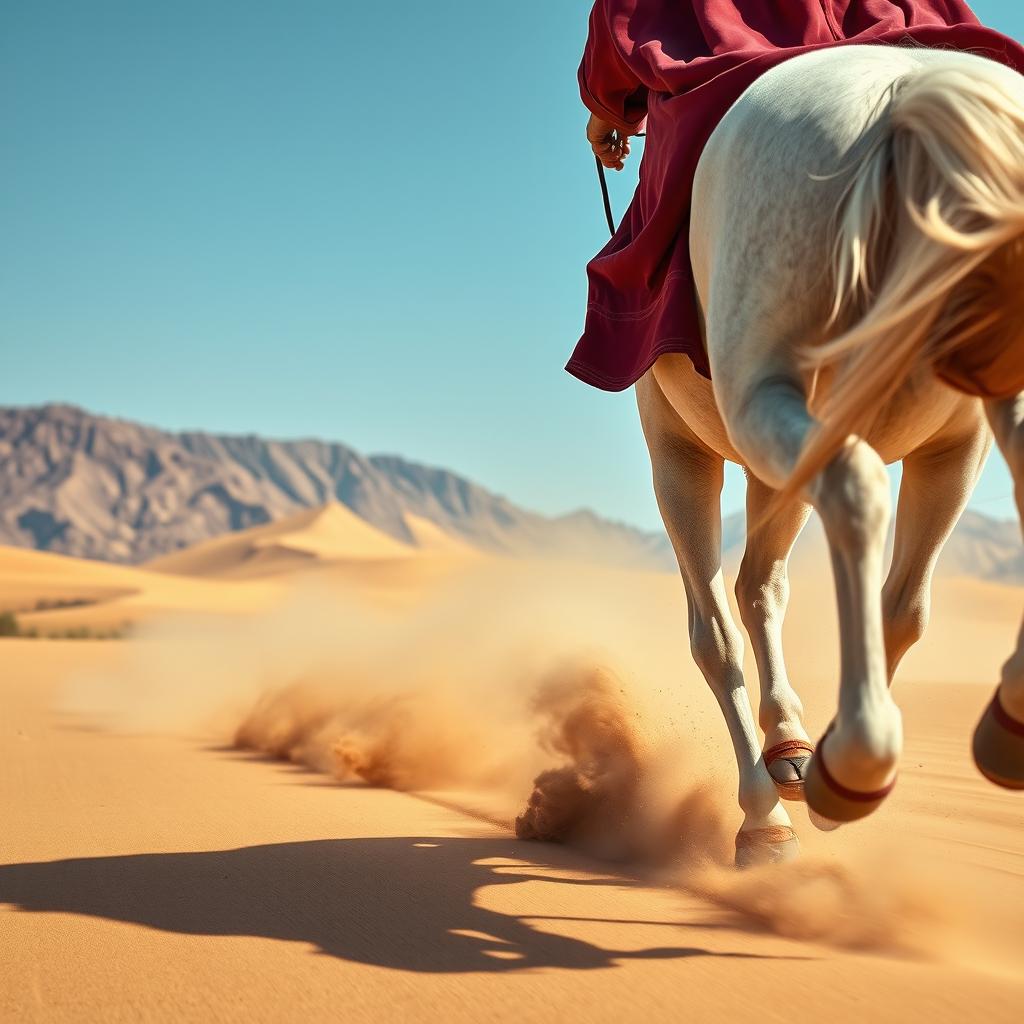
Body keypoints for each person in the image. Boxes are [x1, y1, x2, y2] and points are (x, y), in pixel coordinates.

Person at [568, 1, 1024, 392]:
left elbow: (625, 12)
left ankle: (677, 338)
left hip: (737, 51)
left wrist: (607, 110)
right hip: (897, 26)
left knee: (668, 208)